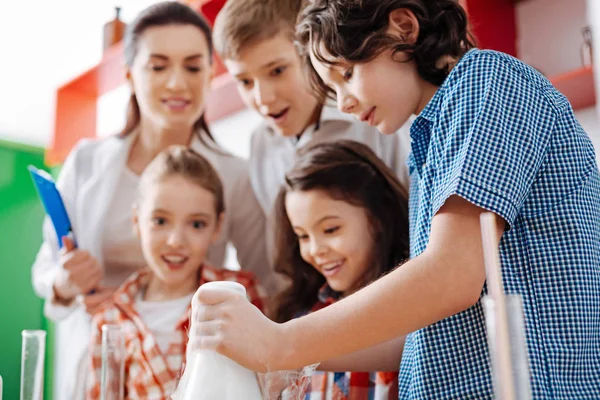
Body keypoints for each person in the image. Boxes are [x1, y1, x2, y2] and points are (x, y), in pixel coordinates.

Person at [190, 0, 600, 398]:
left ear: (403, 28)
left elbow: (451, 277)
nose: (345, 103)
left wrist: (282, 343)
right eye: (333, 89)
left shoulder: (488, 82)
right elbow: (423, 336)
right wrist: (287, 357)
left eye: (348, 73)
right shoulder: (430, 141)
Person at [31, 2, 269, 397]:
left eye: (193, 67)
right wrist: (66, 282)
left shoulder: (235, 175)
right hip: (101, 356)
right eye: (158, 66)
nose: (177, 83)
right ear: (129, 75)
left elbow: (264, 284)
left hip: (192, 365)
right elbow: (47, 265)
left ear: (211, 74)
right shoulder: (88, 162)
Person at [212, 0, 412, 280]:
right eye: (245, 81)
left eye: (277, 71)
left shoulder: (373, 117)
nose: (262, 98)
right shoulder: (261, 145)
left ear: (310, 55)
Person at [85, 146, 265, 398]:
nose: (175, 241)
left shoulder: (237, 294)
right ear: (137, 221)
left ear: (217, 227)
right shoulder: (110, 319)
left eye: (196, 224)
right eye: (160, 221)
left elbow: (265, 385)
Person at [271, 140, 409, 399]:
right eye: (302, 236)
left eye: (330, 230)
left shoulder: (412, 315)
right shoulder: (301, 320)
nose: (315, 250)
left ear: (378, 217)